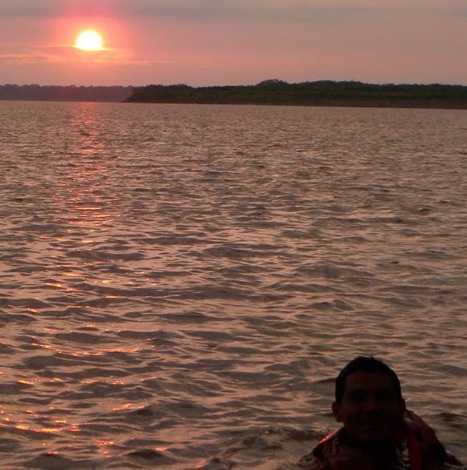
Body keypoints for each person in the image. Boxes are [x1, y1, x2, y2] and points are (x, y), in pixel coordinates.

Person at [298, 356, 463, 469]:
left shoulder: (430, 452)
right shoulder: (323, 462)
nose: (372, 408)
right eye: (358, 397)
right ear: (337, 411)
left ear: (401, 408)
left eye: (383, 397)